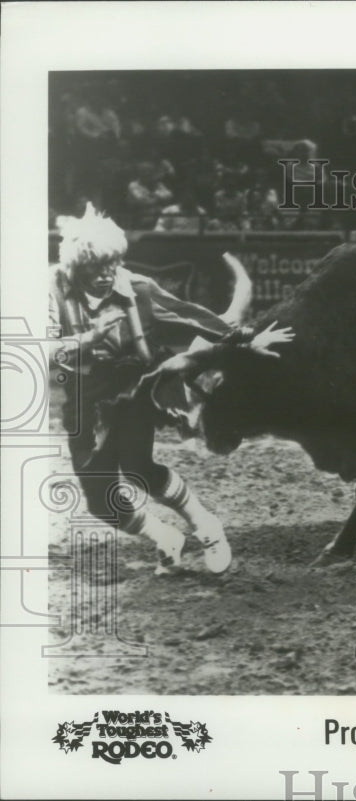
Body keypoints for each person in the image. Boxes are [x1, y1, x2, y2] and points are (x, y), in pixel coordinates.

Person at [48, 203, 287, 575]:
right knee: (100, 501)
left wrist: (245, 339)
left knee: (139, 468)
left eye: (113, 263)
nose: (107, 273)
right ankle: (164, 537)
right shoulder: (53, 291)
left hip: (135, 389)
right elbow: (39, 346)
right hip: (84, 400)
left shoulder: (138, 290)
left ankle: (206, 526)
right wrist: (89, 337)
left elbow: (191, 316)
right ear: (78, 266)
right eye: (98, 266)